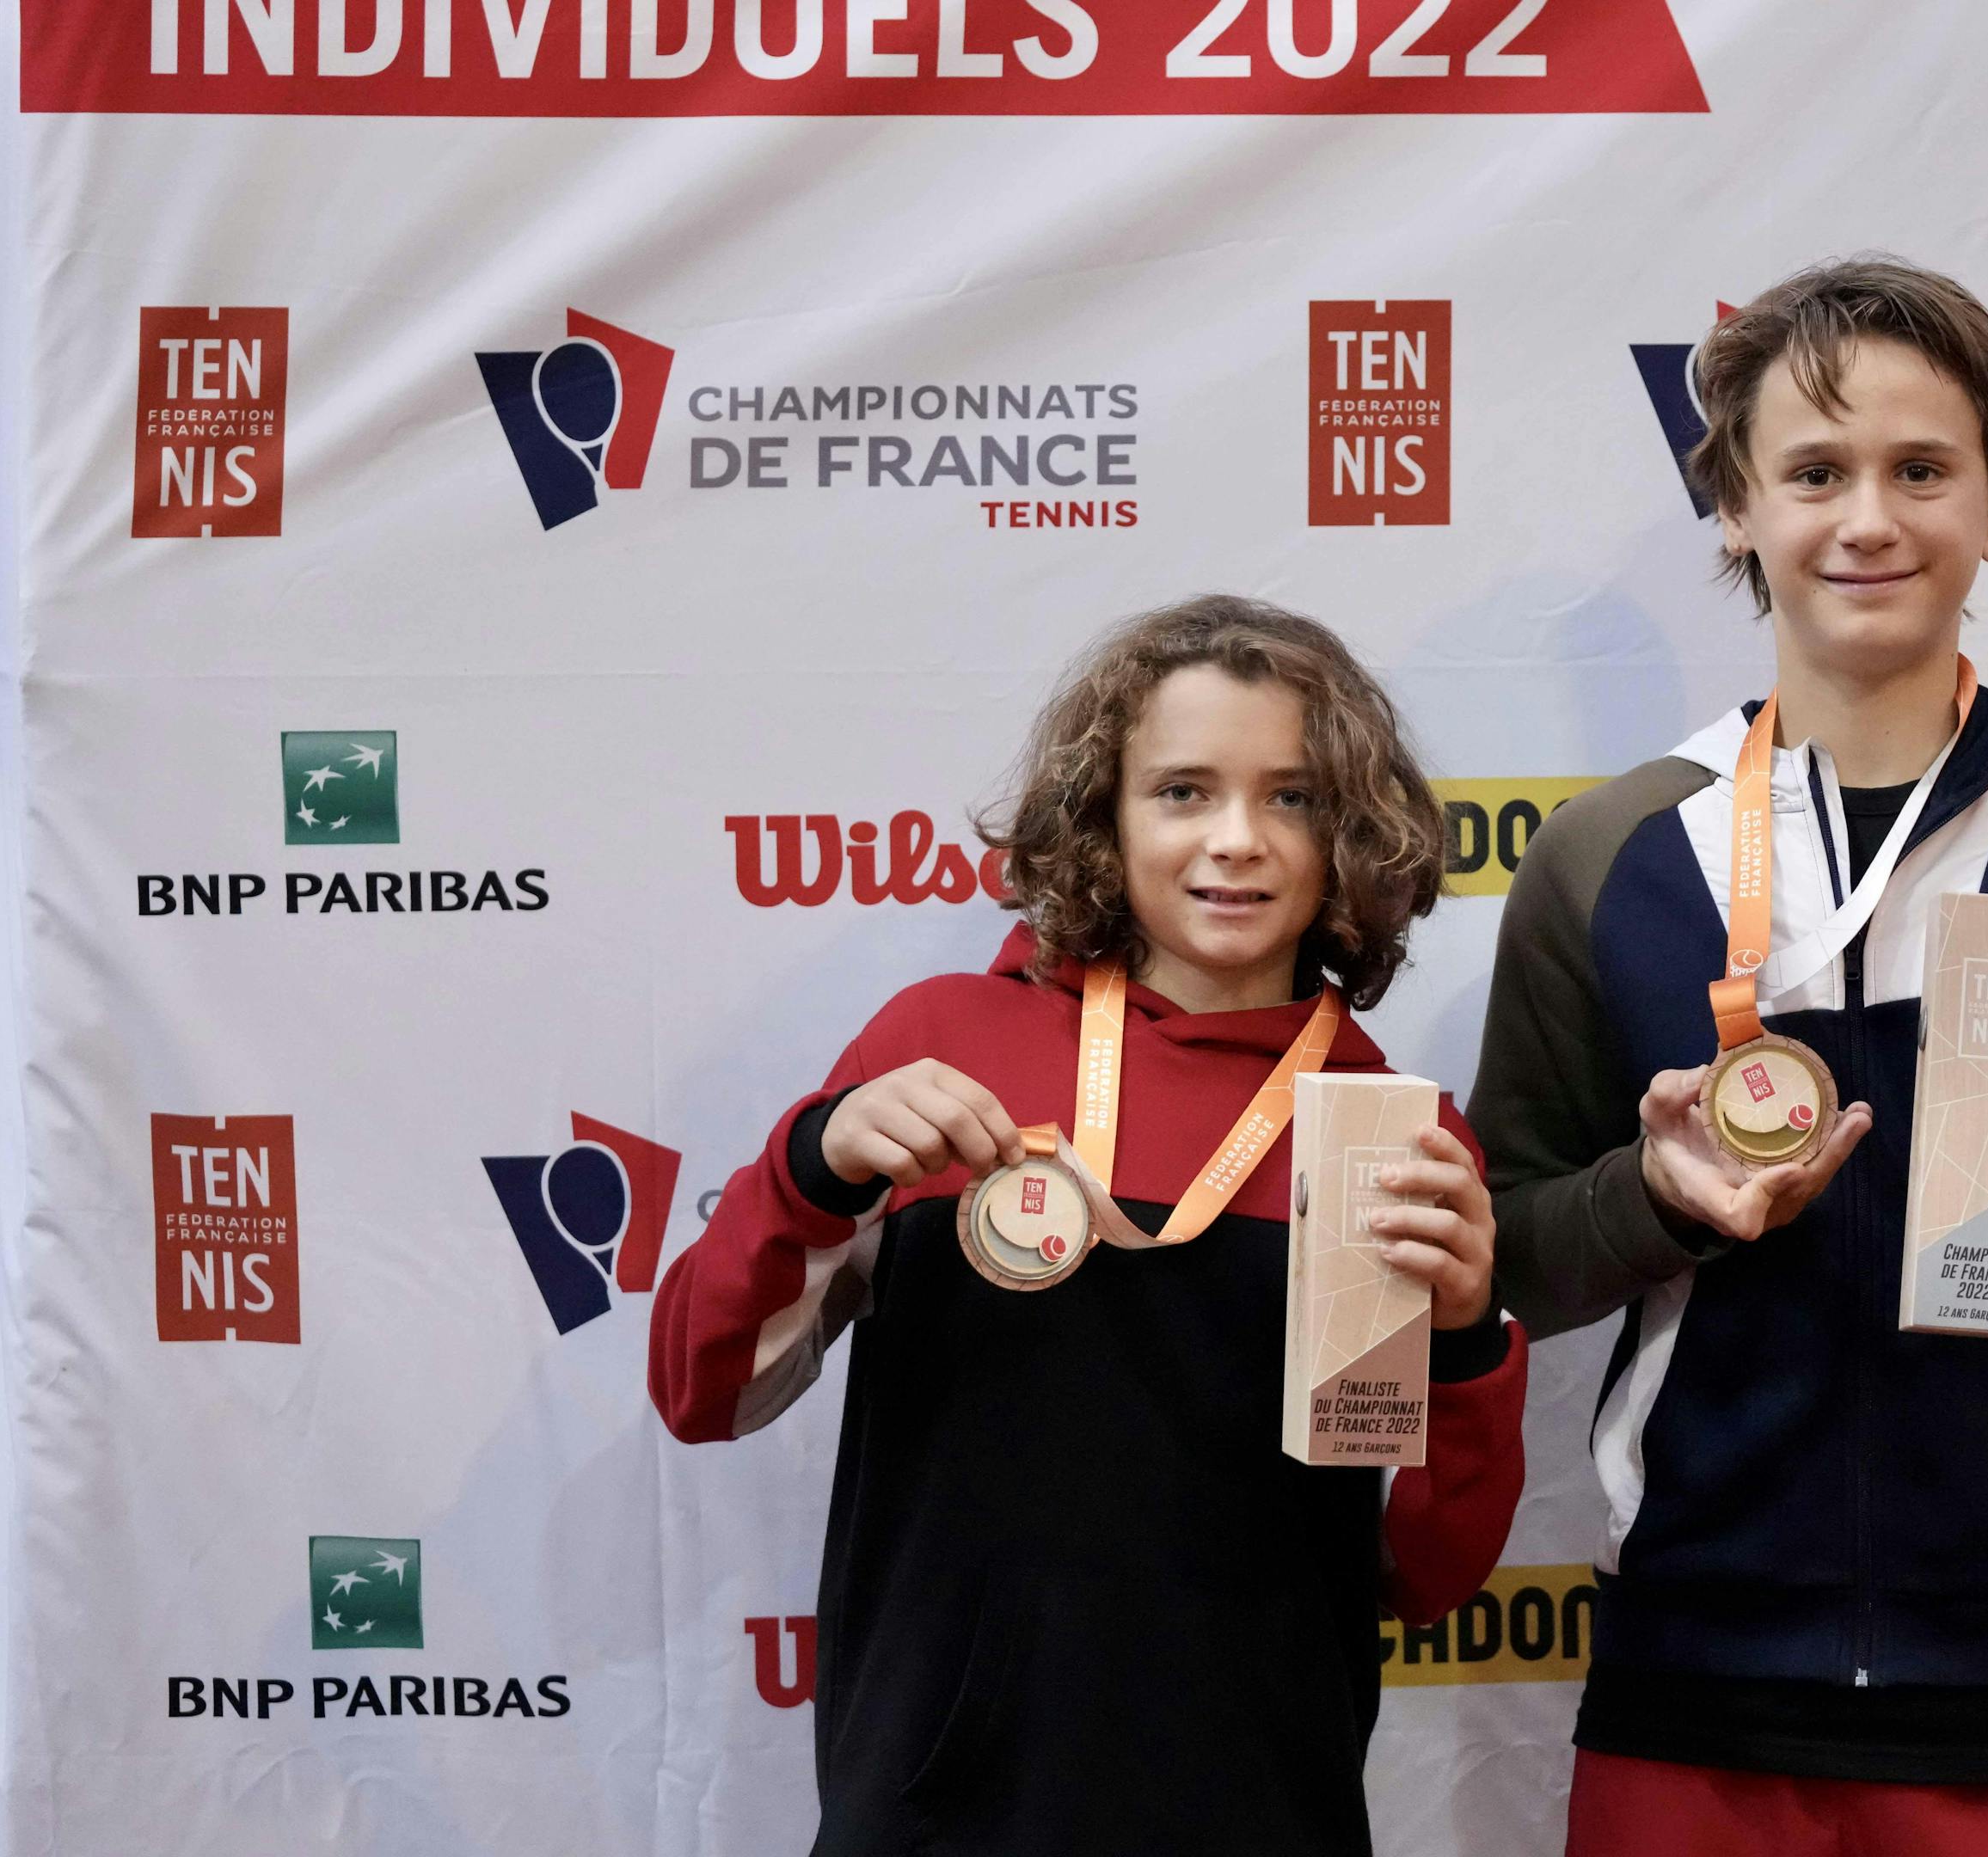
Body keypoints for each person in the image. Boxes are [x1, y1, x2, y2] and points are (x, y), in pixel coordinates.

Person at [1472, 258, 1988, 1857]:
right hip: (1697, 1693)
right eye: (1815, 473)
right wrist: (1654, 1196)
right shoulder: (1614, 853)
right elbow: (1514, 1252)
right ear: (1735, 509)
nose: (1869, 520)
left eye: (1923, 470)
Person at [650, 595, 1527, 1857]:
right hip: (937, 1804)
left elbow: (1423, 1576)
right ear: (1105, 818)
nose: (1238, 841)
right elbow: (703, 1387)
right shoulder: (943, 1043)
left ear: (1352, 834)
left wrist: (1464, 1340)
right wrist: (810, 1168)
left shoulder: (1385, 1128)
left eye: (1292, 797)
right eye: (1182, 790)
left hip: (1260, 1806)